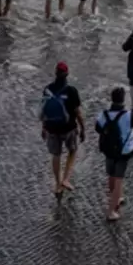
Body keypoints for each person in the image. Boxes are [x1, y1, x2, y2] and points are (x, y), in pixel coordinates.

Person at [95, 87, 133, 222]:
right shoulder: (129, 115)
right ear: (123, 100)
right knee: (119, 179)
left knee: (111, 176)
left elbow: (98, 129)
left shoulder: (104, 114)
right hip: (123, 151)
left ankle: (116, 198)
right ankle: (111, 211)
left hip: (108, 151)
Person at [40, 62, 85, 199]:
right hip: (68, 128)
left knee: (56, 155)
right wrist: (83, 128)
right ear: (67, 74)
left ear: (55, 73)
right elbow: (78, 113)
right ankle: (65, 179)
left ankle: (58, 184)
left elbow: (44, 111)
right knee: (72, 151)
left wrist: (43, 128)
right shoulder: (71, 91)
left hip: (52, 128)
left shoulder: (47, 89)